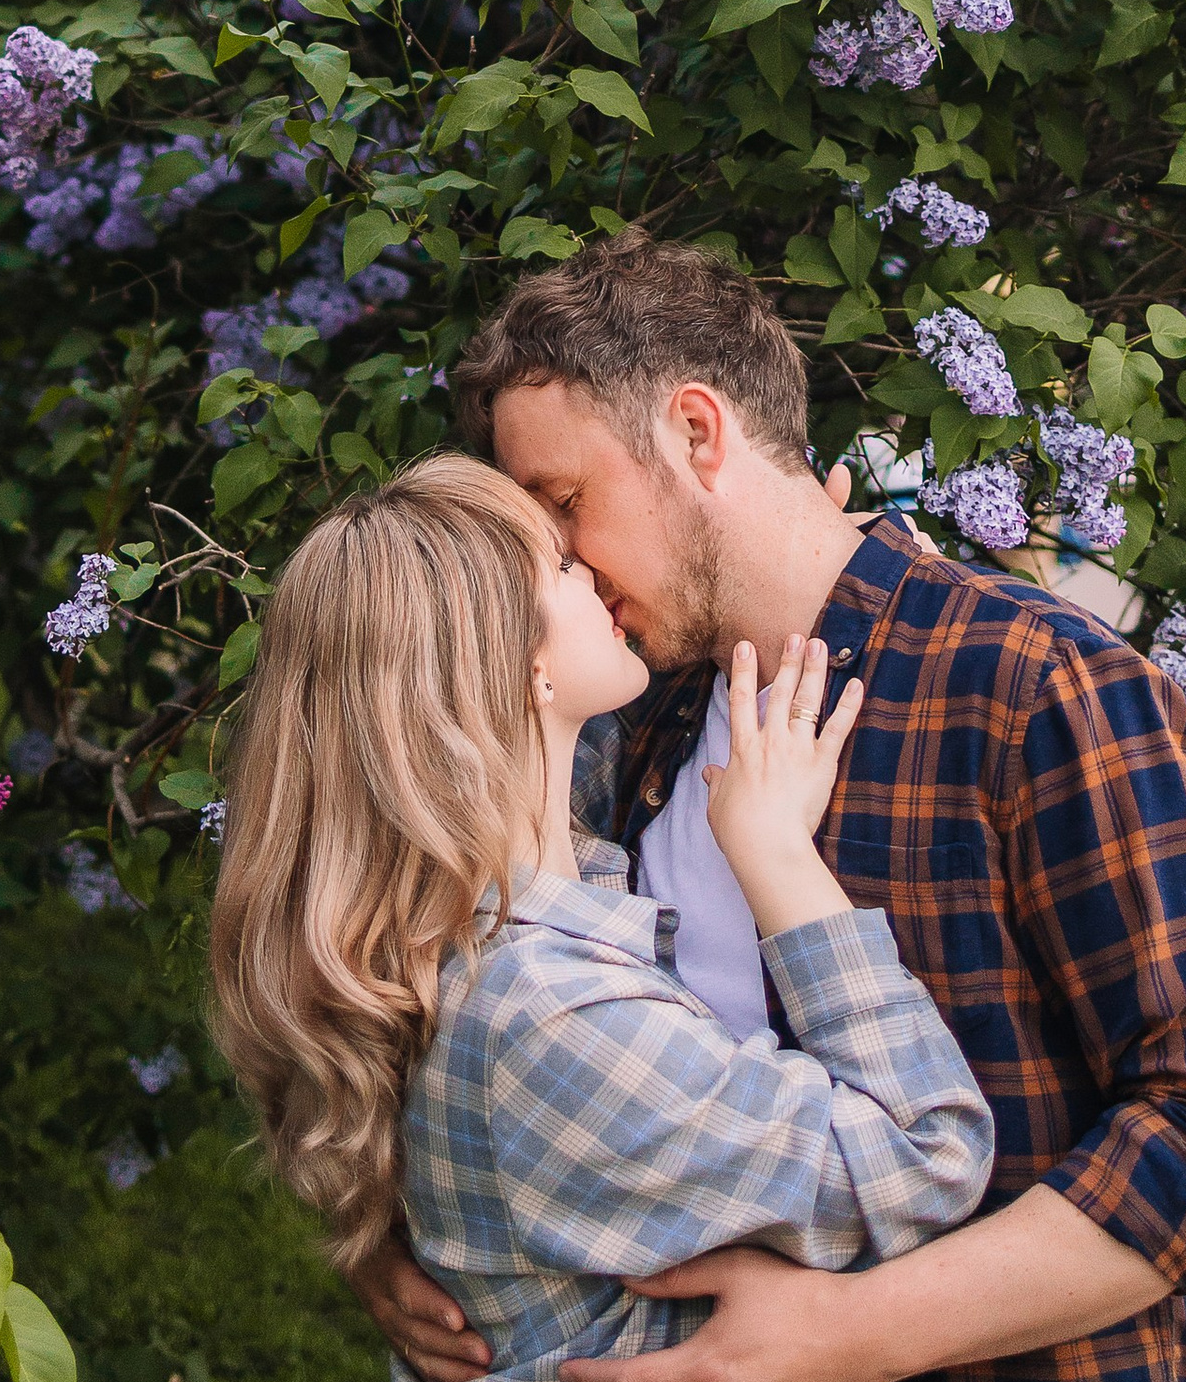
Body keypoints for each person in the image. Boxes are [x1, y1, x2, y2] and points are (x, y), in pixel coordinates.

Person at [353, 233, 1186, 1382]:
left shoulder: (1035, 690)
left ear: (695, 433)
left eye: (566, 501)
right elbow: (457, 978)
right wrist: (409, 1238)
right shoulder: (643, 710)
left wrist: (847, 1337)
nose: (562, 559)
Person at [210, 453, 997, 1382]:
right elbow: (926, 1156)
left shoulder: (463, 917)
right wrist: (777, 852)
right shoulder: (553, 1016)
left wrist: (783, 539)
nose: (592, 566)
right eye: (559, 563)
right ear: (527, 670)